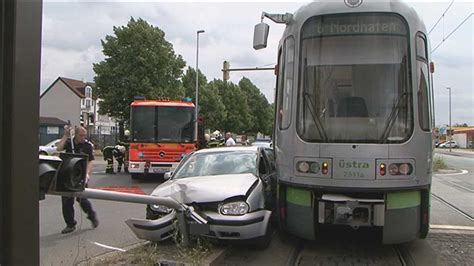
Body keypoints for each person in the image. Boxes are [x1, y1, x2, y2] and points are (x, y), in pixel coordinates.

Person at [56, 125, 99, 234]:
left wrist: (87, 175)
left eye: (84, 135)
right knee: (66, 201)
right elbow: (59, 148)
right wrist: (65, 136)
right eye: (81, 135)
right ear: (75, 135)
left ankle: (92, 215)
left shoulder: (87, 146)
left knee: (82, 199)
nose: (83, 137)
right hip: (67, 175)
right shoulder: (69, 143)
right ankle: (70, 224)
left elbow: (90, 161)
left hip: (80, 176)